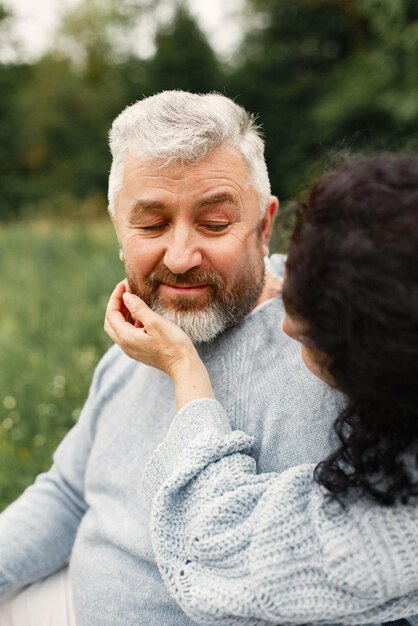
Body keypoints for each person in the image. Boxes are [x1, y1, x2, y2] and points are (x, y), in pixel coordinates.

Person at [0, 90, 406, 626]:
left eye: (214, 224)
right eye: (150, 225)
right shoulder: (139, 335)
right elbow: (69, 491)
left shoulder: (339, 353)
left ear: (264, 226)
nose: (181, 256)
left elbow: (258, 569)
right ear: (117, 230)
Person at [104, 154, 418, 625]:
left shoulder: (393, 530)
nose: (284, 325)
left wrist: (183, 369)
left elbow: (220, 546)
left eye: (312, 333)